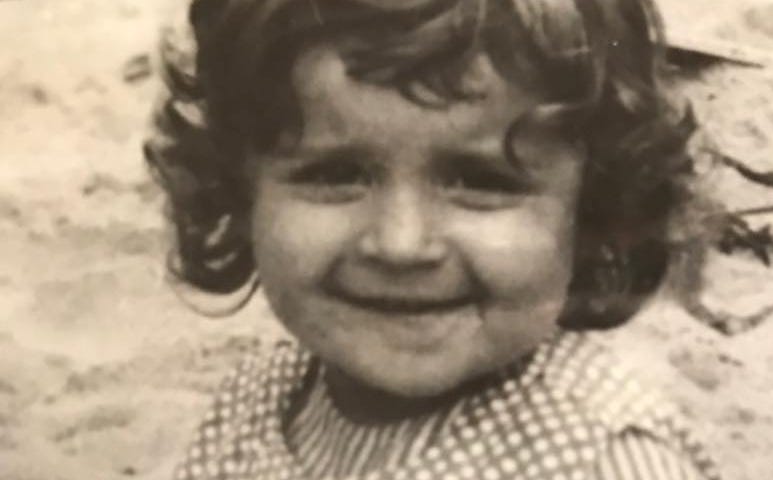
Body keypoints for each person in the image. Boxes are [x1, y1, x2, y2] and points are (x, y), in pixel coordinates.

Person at [144, 0, 720, 478]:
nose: (400, 244)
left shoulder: (600, 460)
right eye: (336, 174)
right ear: (240, 194)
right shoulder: (259, 403)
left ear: (592, 213)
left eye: (479, 182)